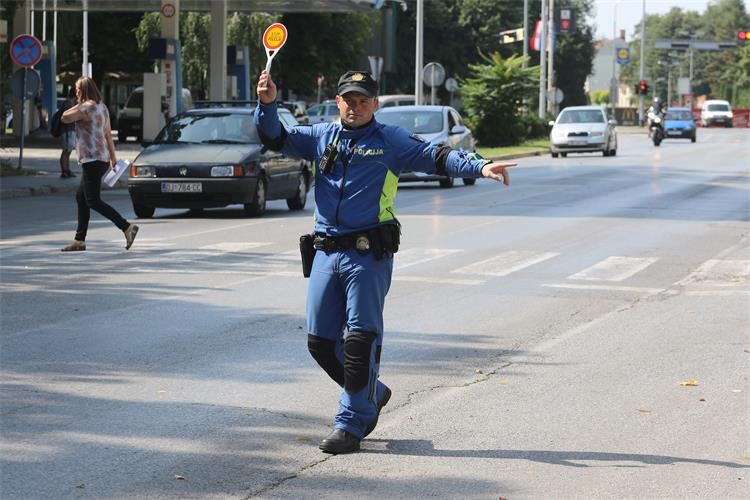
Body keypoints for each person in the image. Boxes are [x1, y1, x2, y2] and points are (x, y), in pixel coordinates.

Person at [254, 70, 516, 454]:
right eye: (348, 99)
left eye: (363, 100)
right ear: (337, 101)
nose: (355, 106)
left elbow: (436, 155)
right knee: (321, 344)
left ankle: (351, 421)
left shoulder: (389, 140)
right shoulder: (320, 137)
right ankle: (372, 391)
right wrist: (266, 103)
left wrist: (479, 165)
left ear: (375, 104)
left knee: (360, 341)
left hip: (367, 255)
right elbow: (274, 136)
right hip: (326, 252)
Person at [60, 76, 138, 252]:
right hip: (101, 159)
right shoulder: (102, 108)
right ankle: (79, 240)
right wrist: (113, 158)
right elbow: (109, 134)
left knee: (93, 200)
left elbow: (64, 117)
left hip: (91, 160)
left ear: (84, 90)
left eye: (78, 89)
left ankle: (126, 227)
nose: (76, 92)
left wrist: (77, 104)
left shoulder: (85, 109)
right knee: (81, 198)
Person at [59, 87, 77, 178]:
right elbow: (67, 117)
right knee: (66, 151)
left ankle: (67, 169)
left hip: (70, 130)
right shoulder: (68, 103)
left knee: (68, 151)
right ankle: (64, 170)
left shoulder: (71, 103)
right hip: (67, 130)